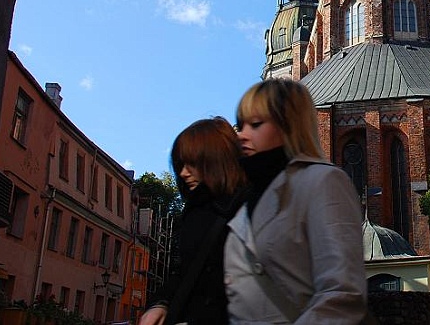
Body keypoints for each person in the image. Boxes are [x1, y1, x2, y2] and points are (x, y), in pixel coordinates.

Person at [224, 78, 367, 324]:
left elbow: (342, 293)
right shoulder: (243, 200)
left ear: (288, 126)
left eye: (256, 124)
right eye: (241, 125)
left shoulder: (323, 182)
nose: (242, 136)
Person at [139, 117, 248, 325]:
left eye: (191, 163)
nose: (183, 172)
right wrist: (160, 304)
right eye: (181, 164)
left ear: (214, 159)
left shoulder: (248, 208)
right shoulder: (195, 211)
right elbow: (182, 273)